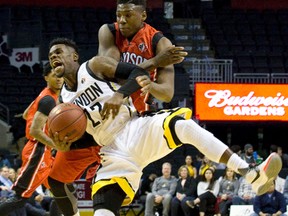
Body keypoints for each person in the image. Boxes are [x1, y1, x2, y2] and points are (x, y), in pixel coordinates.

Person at [48, 37, 282, 216]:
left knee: (184, 126)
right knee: (102, 211)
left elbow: (138, 72)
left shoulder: (94, 66)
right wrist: (66, 144)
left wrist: (120, 95)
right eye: (50, 57)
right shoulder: (63, 101)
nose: (54, 58)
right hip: (111, 152)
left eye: (59, 52)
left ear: (74, 56)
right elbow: (85, 136)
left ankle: (252, 174)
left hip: (135, 128)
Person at [97, 0, 186, 114]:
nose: (122, 21)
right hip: (110, 106)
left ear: (143, 15)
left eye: (128, 15)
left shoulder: (160, 42)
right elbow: (112, 77)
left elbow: (167, 94)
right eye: (118, 15)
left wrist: (150, 85)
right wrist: (155, 62)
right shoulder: (109, 32)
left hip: (141, 113)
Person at [0, 63, 64, 216]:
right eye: (55, 75)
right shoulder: (48, 100)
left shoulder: (45, 96)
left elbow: (25, 114)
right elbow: (35, 131)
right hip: (38, 150)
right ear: (46, 77)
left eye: (61, 76)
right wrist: (57, 145)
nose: (59, 79)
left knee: (62, 189)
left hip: (45, 149)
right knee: (20, 198)